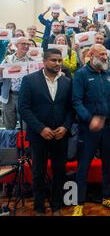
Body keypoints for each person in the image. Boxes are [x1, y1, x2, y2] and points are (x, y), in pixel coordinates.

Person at [18, 48, 74, 216]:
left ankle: (57, 206)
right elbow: (24, 108)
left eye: (60, 60)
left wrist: (65, 127)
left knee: (59, 172)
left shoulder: (67, 82)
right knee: (38, 173)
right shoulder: (29, 80)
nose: (58, 63)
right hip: (38, 135)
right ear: (44, 61)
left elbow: (71, 109)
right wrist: (40, 128)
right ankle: (39, 207)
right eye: (54, 60)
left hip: (60, 135)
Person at [71, 44, 110, 216]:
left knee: (107, 165)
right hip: (88, 129)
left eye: (106, 55)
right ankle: (79, 202)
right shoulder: (80, 75)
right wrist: (89, 118)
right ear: (91, 55)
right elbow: (76, 101)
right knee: (83, 166)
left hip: (107, 127)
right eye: (101, 54)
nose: (105, 57)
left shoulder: (109, 75)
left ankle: (107, 197)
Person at [0, 37, 33, 130]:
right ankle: (9, 144)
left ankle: (23, 144)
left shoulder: (32, 61)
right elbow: (1, 78)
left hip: (25, 97)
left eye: (28, 44)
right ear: (16, 45)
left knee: (25, 126)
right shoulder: (8, 59)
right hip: (9, 96)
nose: (26, 46)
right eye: (23, 44)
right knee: (9, 125)